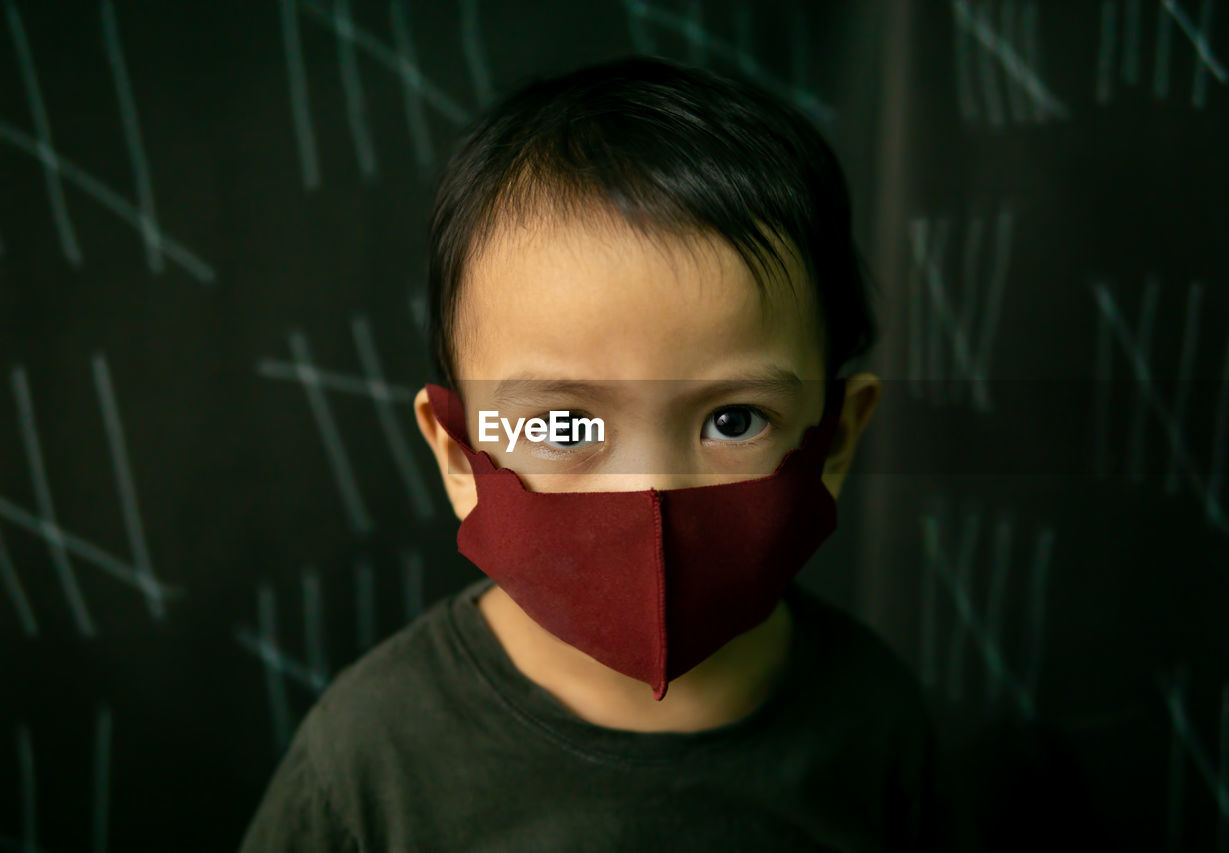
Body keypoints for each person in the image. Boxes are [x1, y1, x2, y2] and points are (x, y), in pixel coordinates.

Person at [239, 54, 941, 851]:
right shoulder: (369, 753)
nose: (649, 491)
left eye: (735, 419)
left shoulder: (876, 720)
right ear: (463, 455)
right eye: (565, 424)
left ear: (835, 439)